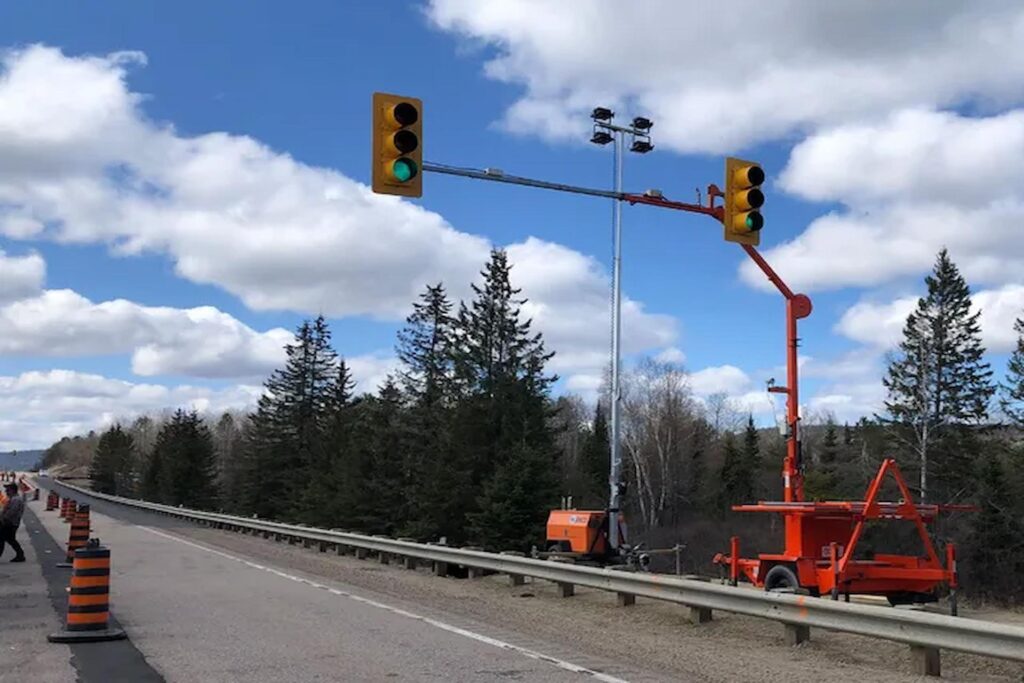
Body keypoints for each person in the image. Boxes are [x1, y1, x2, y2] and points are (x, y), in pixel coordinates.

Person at [1, 482, 26, 562]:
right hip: (10, 523)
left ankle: (20, 554)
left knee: (1, 539)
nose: (6, 492)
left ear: (12, 490)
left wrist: (3, 519)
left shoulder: (16, 500)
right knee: (10, 539)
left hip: (10, 523)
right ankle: (20, 554)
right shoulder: (14, 499)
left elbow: (11, 512)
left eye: (7, 490)